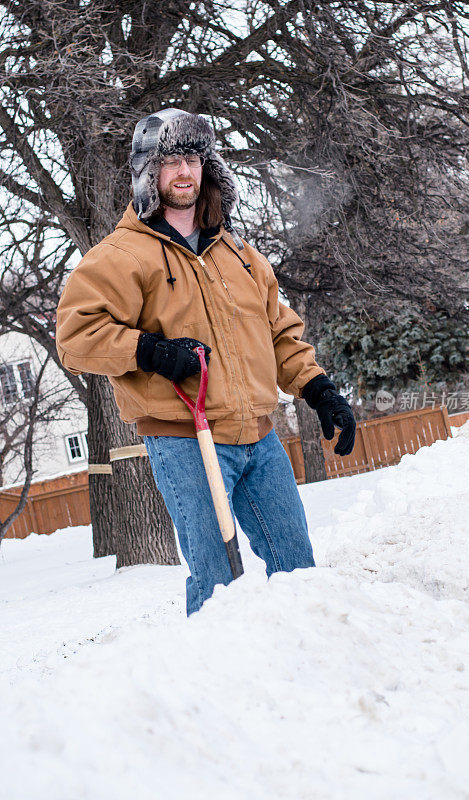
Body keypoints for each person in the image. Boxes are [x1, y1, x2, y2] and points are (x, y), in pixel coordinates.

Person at [56, 108, 356, 615]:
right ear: (148, 171)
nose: (184, 171)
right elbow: (75, 336)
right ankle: (218, 684)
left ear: (206, 167)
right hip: (184, 439)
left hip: (258, 434)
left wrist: (319, 389)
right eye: (170, 160)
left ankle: (306, 675)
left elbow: (278, 330)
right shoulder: (121, 256)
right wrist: (149, 351)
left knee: (298, 568)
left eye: (193, 158)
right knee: (218, 588)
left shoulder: (237, 253)